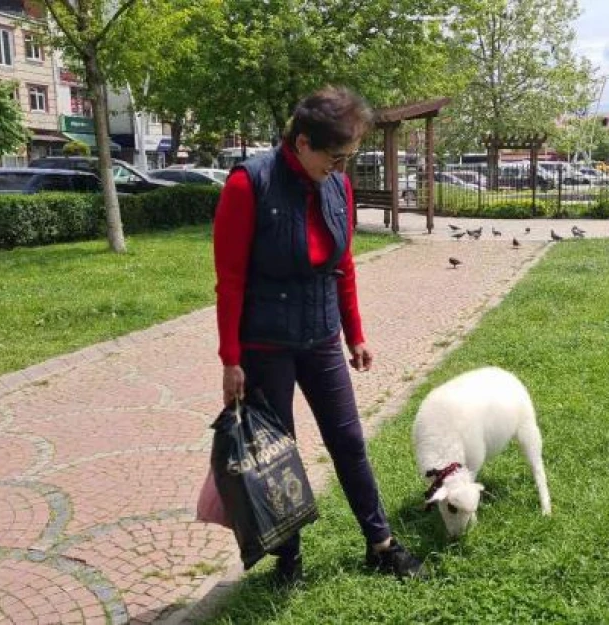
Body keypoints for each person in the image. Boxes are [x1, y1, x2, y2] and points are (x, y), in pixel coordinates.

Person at [212, 86, 424, 584]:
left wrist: (356, 333)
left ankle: (381, 543)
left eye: (349, 157)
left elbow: (342, 264)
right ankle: (289, 559)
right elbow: (231, 280)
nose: (342, 167)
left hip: (323, 334)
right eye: (336, 156)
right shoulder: (249, 185)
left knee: (349, 440)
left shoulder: (337, 187)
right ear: (302, 143)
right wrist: (230, 358)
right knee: (277, 454)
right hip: (266, 344)